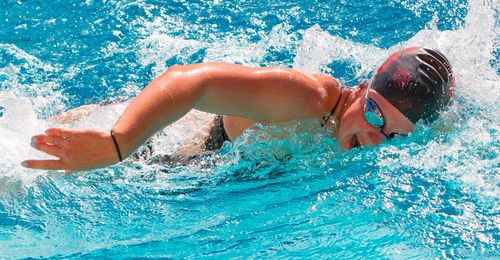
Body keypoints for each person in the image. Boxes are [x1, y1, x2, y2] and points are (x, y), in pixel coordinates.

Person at [21, 46, 455, 174]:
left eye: (394, 134)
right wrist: (119, 144)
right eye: (375, 115)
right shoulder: (304, 99)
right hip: (158, 137)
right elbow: (191, 79)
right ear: (361, 90)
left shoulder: (352, 129)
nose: (375, 138)